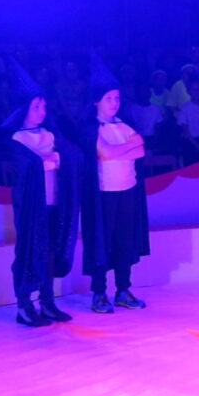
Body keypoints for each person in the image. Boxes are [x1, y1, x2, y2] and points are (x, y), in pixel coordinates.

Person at [6, 59, 82, 326]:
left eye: (44, 106)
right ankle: (24, 305)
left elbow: (72, 156)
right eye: (36, 107)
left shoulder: (49, 134)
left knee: (50, 252)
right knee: (29, 251)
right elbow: (28, 167)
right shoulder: (18, 138)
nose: (41, 111)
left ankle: (47, 302)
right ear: (24, 109)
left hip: (53, 203)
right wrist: (50, 161)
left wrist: (52, 160)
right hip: (31, 208)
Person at [80, 54, 149, 314]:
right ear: (96, 101)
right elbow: (105, 153)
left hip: (128, 190)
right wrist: (125, 148)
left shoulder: (123, 124)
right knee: (102, 241)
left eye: (117, 98)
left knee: (125, 240)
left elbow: (141, 149)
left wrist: (117, 151)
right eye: (109, 98)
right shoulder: (90, 126)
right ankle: (99, 292)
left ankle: (123, 290)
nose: (114, 103)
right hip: (104, 193)